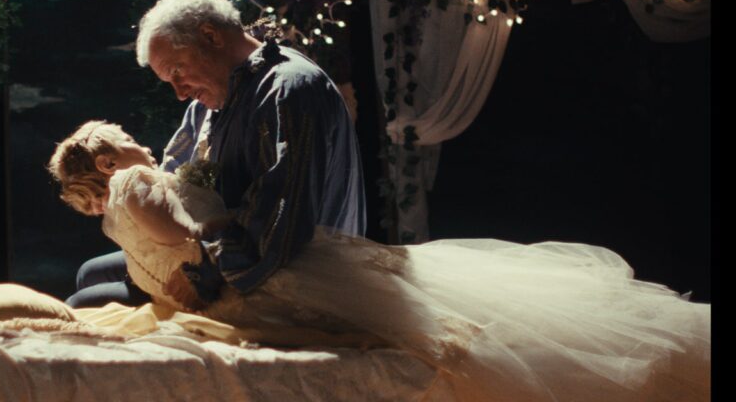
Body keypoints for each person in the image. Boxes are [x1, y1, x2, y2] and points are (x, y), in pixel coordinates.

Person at [49, 121, 710, 402]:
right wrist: (220, 225)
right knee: (412, 301)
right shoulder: (139, 185)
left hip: (216, 301)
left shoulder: (112, 213)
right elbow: (186, 233)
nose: (138, 143)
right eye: (126, 141)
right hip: (247, 282)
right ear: (109, 162)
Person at [66, 0, 366, 307]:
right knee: (91, 274)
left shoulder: (288, 91)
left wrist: (203, 269)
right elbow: (187, 185)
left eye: (177, 71)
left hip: (287, 275)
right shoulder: (211, 101)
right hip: (222, 246)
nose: (179, 93)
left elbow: (280, 223)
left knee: (82, 304)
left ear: (211, 36)